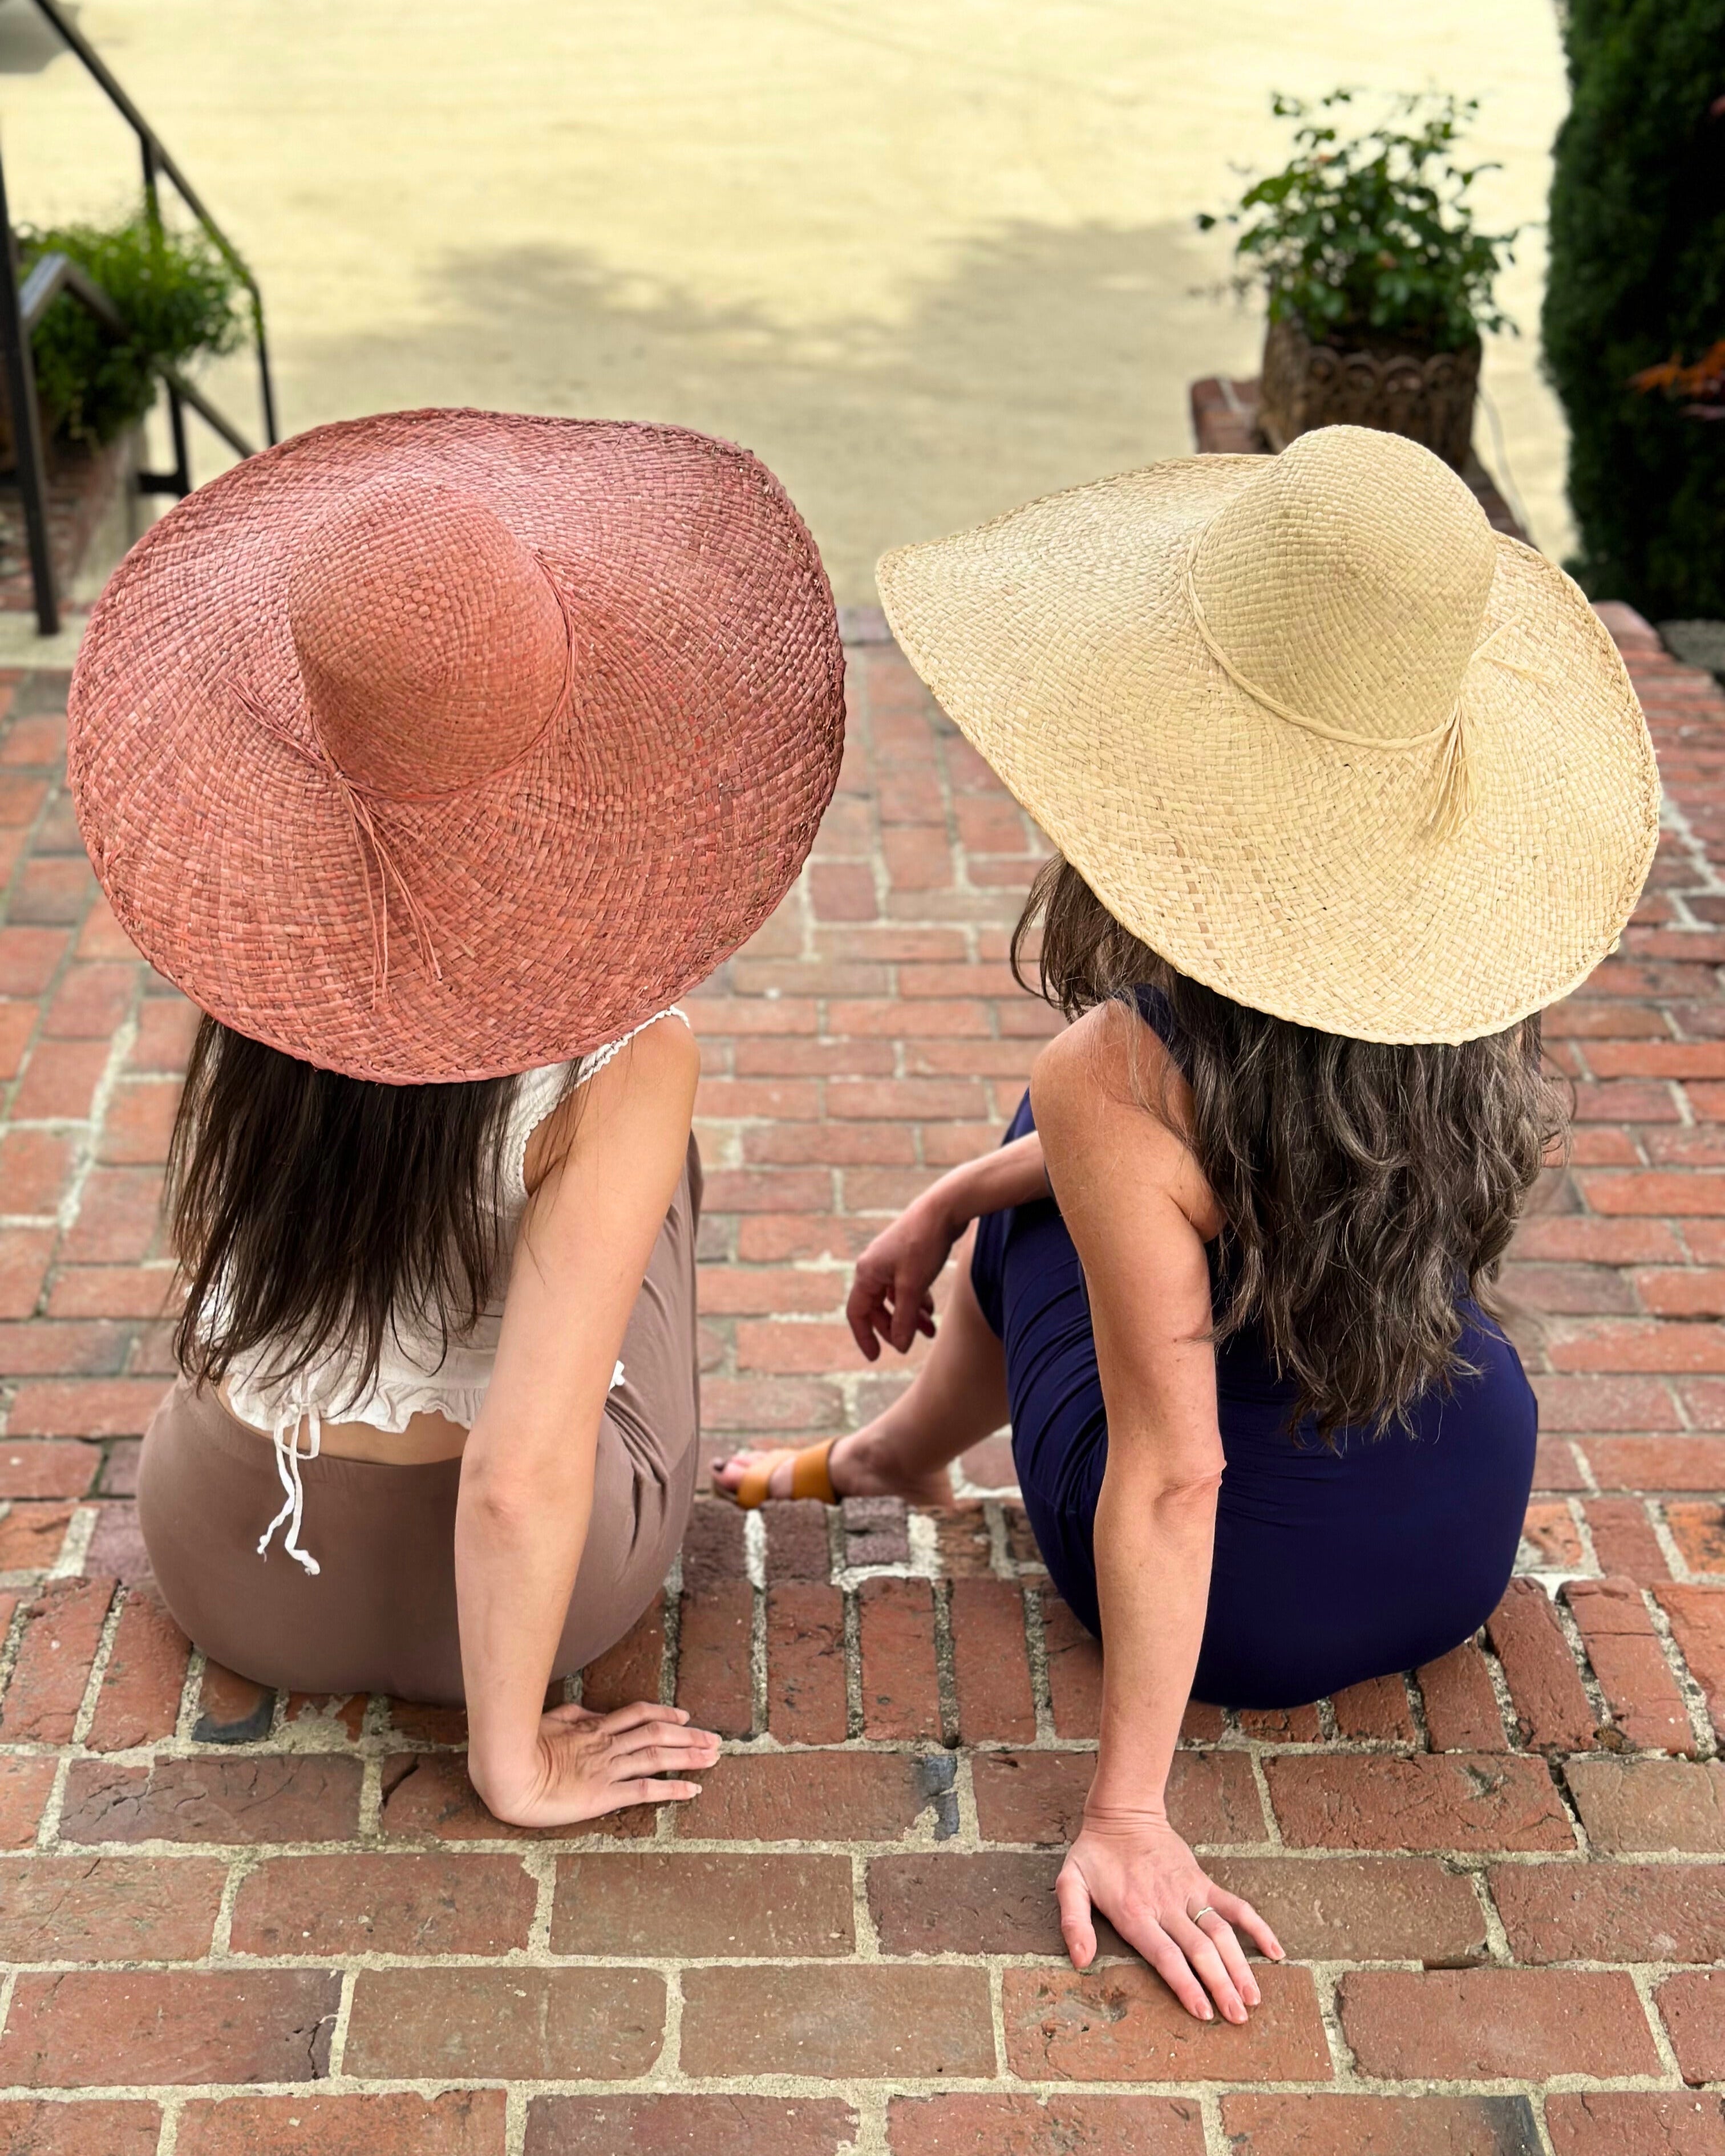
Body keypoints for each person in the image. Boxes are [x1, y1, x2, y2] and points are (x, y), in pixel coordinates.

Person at [716, 427, 1658, 2024]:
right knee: (1051, 1154)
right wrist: (956, 1188)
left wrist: (1128, 1815)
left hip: (1255, 1601)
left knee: (1063, 1141)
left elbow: (1175, 1469)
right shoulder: (1464, 987)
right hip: (1461, 1521)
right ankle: (893, 1444)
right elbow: (1259, 1161)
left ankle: (891, 1458)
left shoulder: (1116, 1073)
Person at [68, 408, 846, 1830]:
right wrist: (513, 1760)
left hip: (228, 1552)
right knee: (640, 1162)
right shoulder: (626, 1049)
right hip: (504, 1614)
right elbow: (513, 1481)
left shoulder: (258, 937)